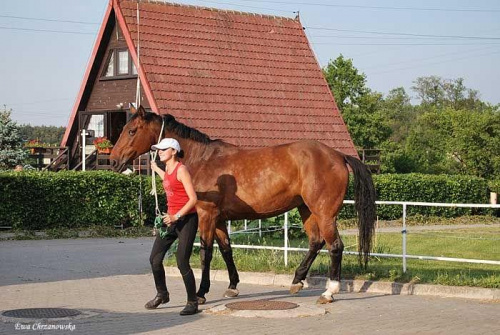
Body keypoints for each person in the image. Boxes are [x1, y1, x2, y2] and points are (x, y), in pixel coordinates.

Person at [146, 138, 199, 316]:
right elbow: (168, 180)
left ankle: (193, 302)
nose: (159, 152)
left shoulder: (182, 169)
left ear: (174, 151)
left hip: (186, 220)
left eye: (163, 149)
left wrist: (176, 216)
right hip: (170, 220)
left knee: (182, 261)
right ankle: (162, 294)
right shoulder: (168, 169)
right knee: (154, 259)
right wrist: (156, 169)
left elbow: (193, 199)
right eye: (158, 149)